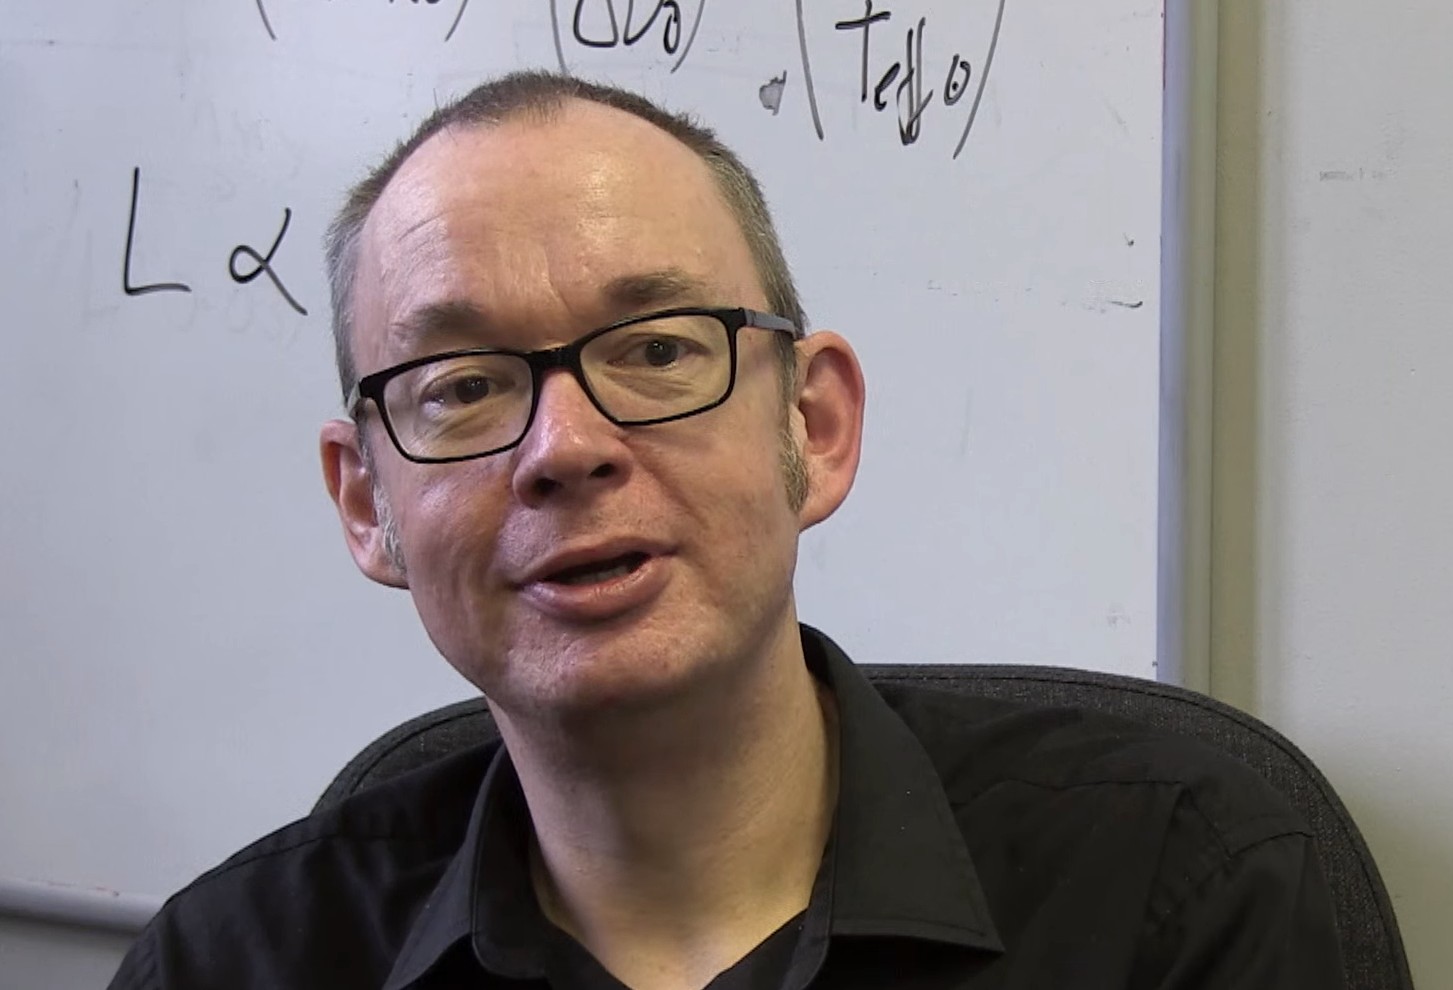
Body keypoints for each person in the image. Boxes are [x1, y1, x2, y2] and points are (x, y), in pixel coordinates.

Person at [110, 70, 1347, 990]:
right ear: (366, 503)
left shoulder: (1179, 887)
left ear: (814, 425)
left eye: (657, 352)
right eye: (465, 385)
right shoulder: (232, 963)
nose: (565, 447)